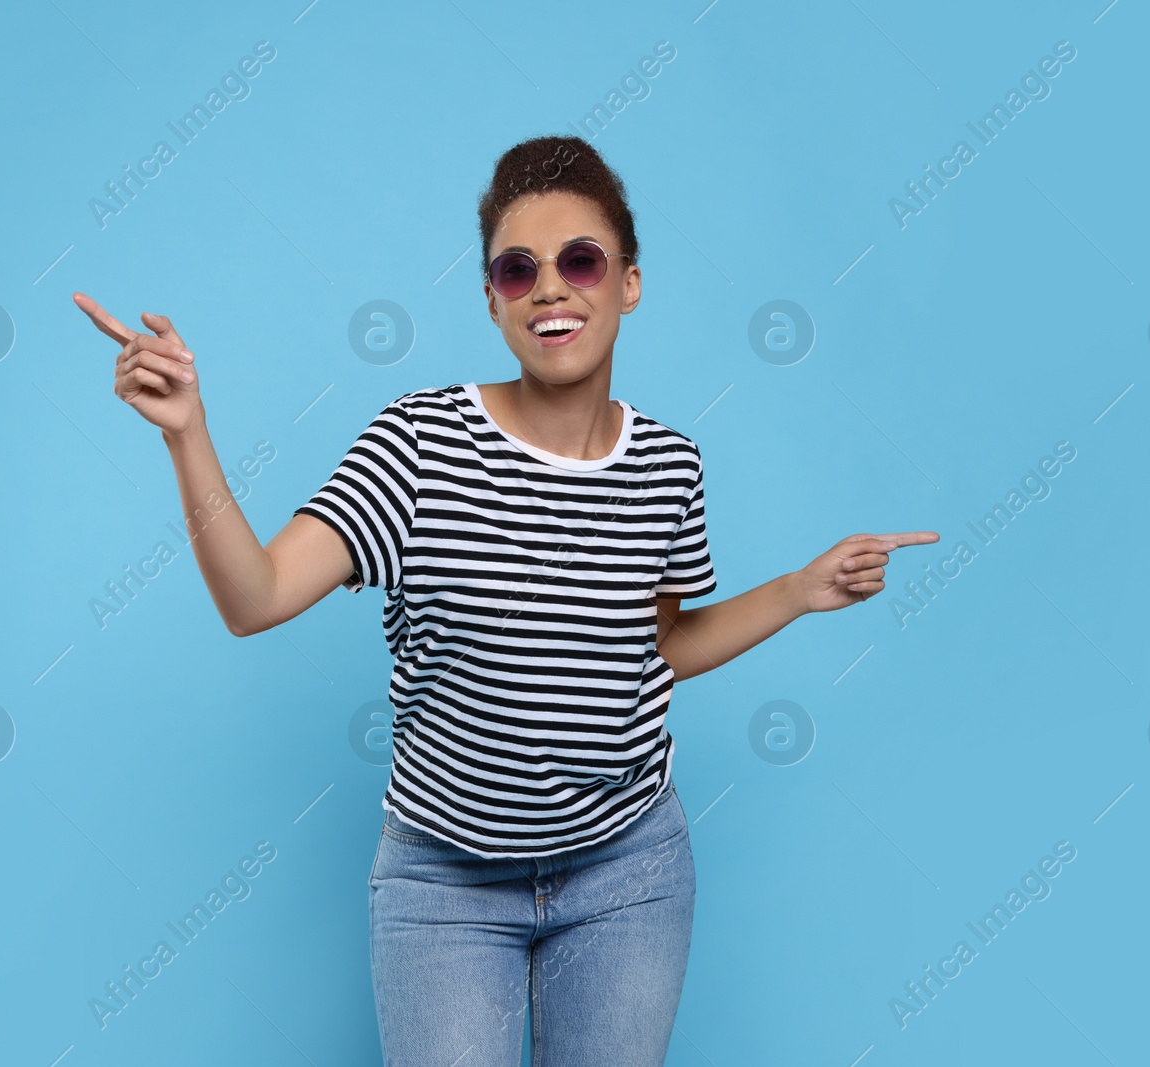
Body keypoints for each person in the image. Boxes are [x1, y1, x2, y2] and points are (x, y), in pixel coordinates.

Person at [73, 134, 938, 1066]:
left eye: (581, 260)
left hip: (629, 868)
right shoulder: (419, 445)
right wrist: (188, 436)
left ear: (629, 283)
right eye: (519, 270)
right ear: (493, 301)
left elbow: (663, 644)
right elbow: (258, 596)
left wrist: (801, 590)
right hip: (445, 882)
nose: (553, 287)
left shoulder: (668, 465)